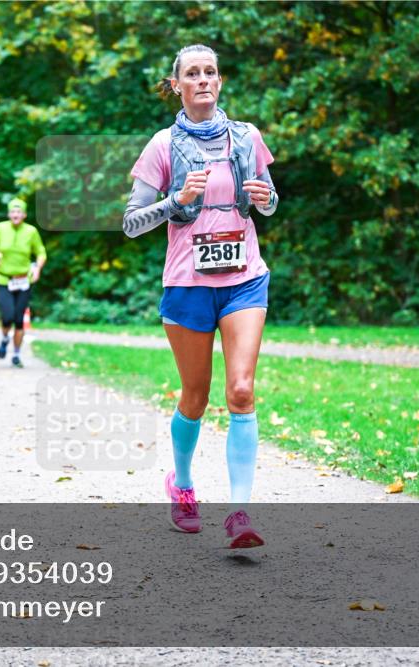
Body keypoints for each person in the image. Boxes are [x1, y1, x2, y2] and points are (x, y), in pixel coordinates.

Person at [123, 44, 279, 548]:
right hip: (188, 285)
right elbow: (131, 224)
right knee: (195, 396)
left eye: (211, 72)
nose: (204, 80)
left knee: (240, 391)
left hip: (244, 280)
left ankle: (240, 513)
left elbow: (270, 202)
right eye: (193, 74)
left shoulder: (246, 137)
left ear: (221, 81)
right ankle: (183, 485)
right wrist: (177, 200)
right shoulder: (162, 145)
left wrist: (266, 199)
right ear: (177, 86)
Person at [0, 198, 46, 368]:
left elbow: (41, 252)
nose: (16, 214)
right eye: (13, 211)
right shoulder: (0, 228)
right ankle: (5, 339)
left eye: (19, 212)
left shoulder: (31, 232)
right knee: (7, 317)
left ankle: (17, 355)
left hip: (23, 280)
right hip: (4, 279)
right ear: (8, 214)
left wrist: (37, 268)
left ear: (24, 215)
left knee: (19, 319)